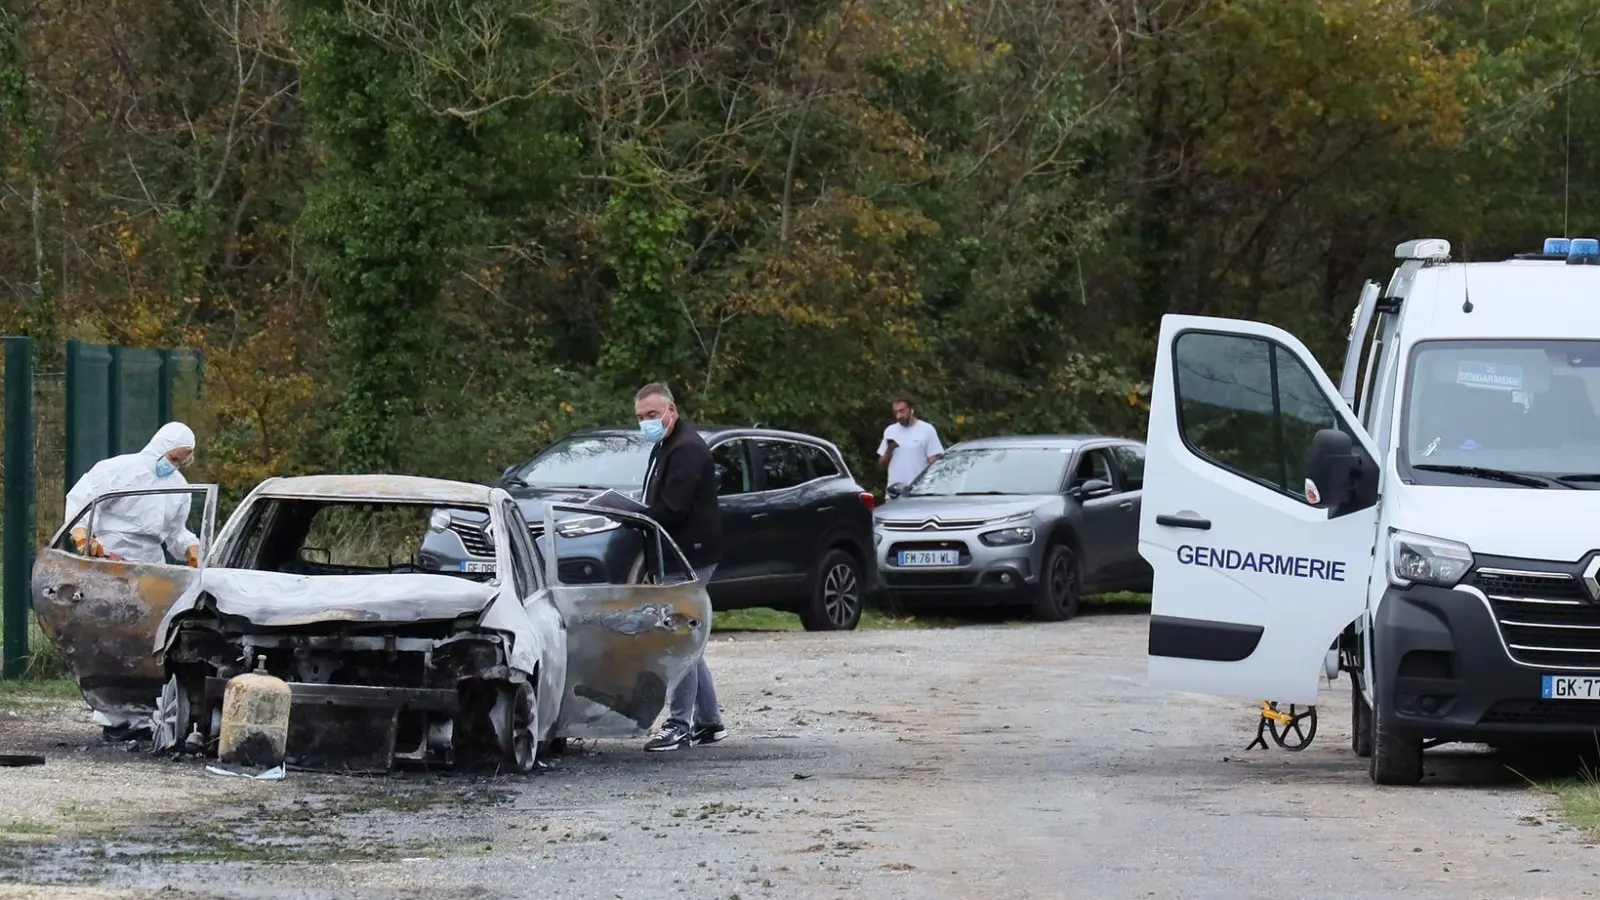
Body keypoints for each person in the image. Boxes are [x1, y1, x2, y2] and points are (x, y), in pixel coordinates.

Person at [633, 382, 728, 752]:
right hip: (680, 552)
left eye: (653, 415)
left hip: (689, 554)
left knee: (679, 639)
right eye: (641, 417)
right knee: (689, 641)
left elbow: (672, 508)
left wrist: (635, 516)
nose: (647, 423)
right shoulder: (667, 445)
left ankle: (679, 725)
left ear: (671, 410)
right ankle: (708, 721)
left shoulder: (686, 448)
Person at [63, 421, 201, 566]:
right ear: (161, 447)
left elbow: (176, 531)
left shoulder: (179, 486)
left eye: (180, 462)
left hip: (153, 567)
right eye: (173, 459)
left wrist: (191, 549)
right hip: (108, 559)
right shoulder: (118, 468)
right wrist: (82, 533)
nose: (174, 466)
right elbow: (85, 500)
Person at [876, 394, 943, 488]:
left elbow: (934, 463)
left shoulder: (927, 429)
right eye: (895, 412)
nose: (899, 416)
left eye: (902, 411)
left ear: (911, 409)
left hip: (919, 490)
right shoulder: (890, 431)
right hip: (894, 491)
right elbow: (881, 466)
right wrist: (889, 450)